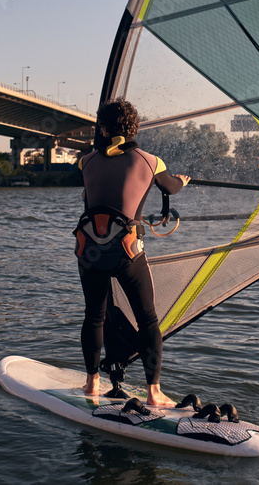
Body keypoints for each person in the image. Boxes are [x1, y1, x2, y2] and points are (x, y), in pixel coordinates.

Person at [74, 99, 189, 407]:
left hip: (89, 252)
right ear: (135, 128)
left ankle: (91, 383)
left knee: (94, 317)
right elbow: (172, 187)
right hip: (126, 253)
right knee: (148, 319)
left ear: (102, 128)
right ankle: (154, 392)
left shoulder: (85, 162)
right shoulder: (151, 161)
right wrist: (182, 182)